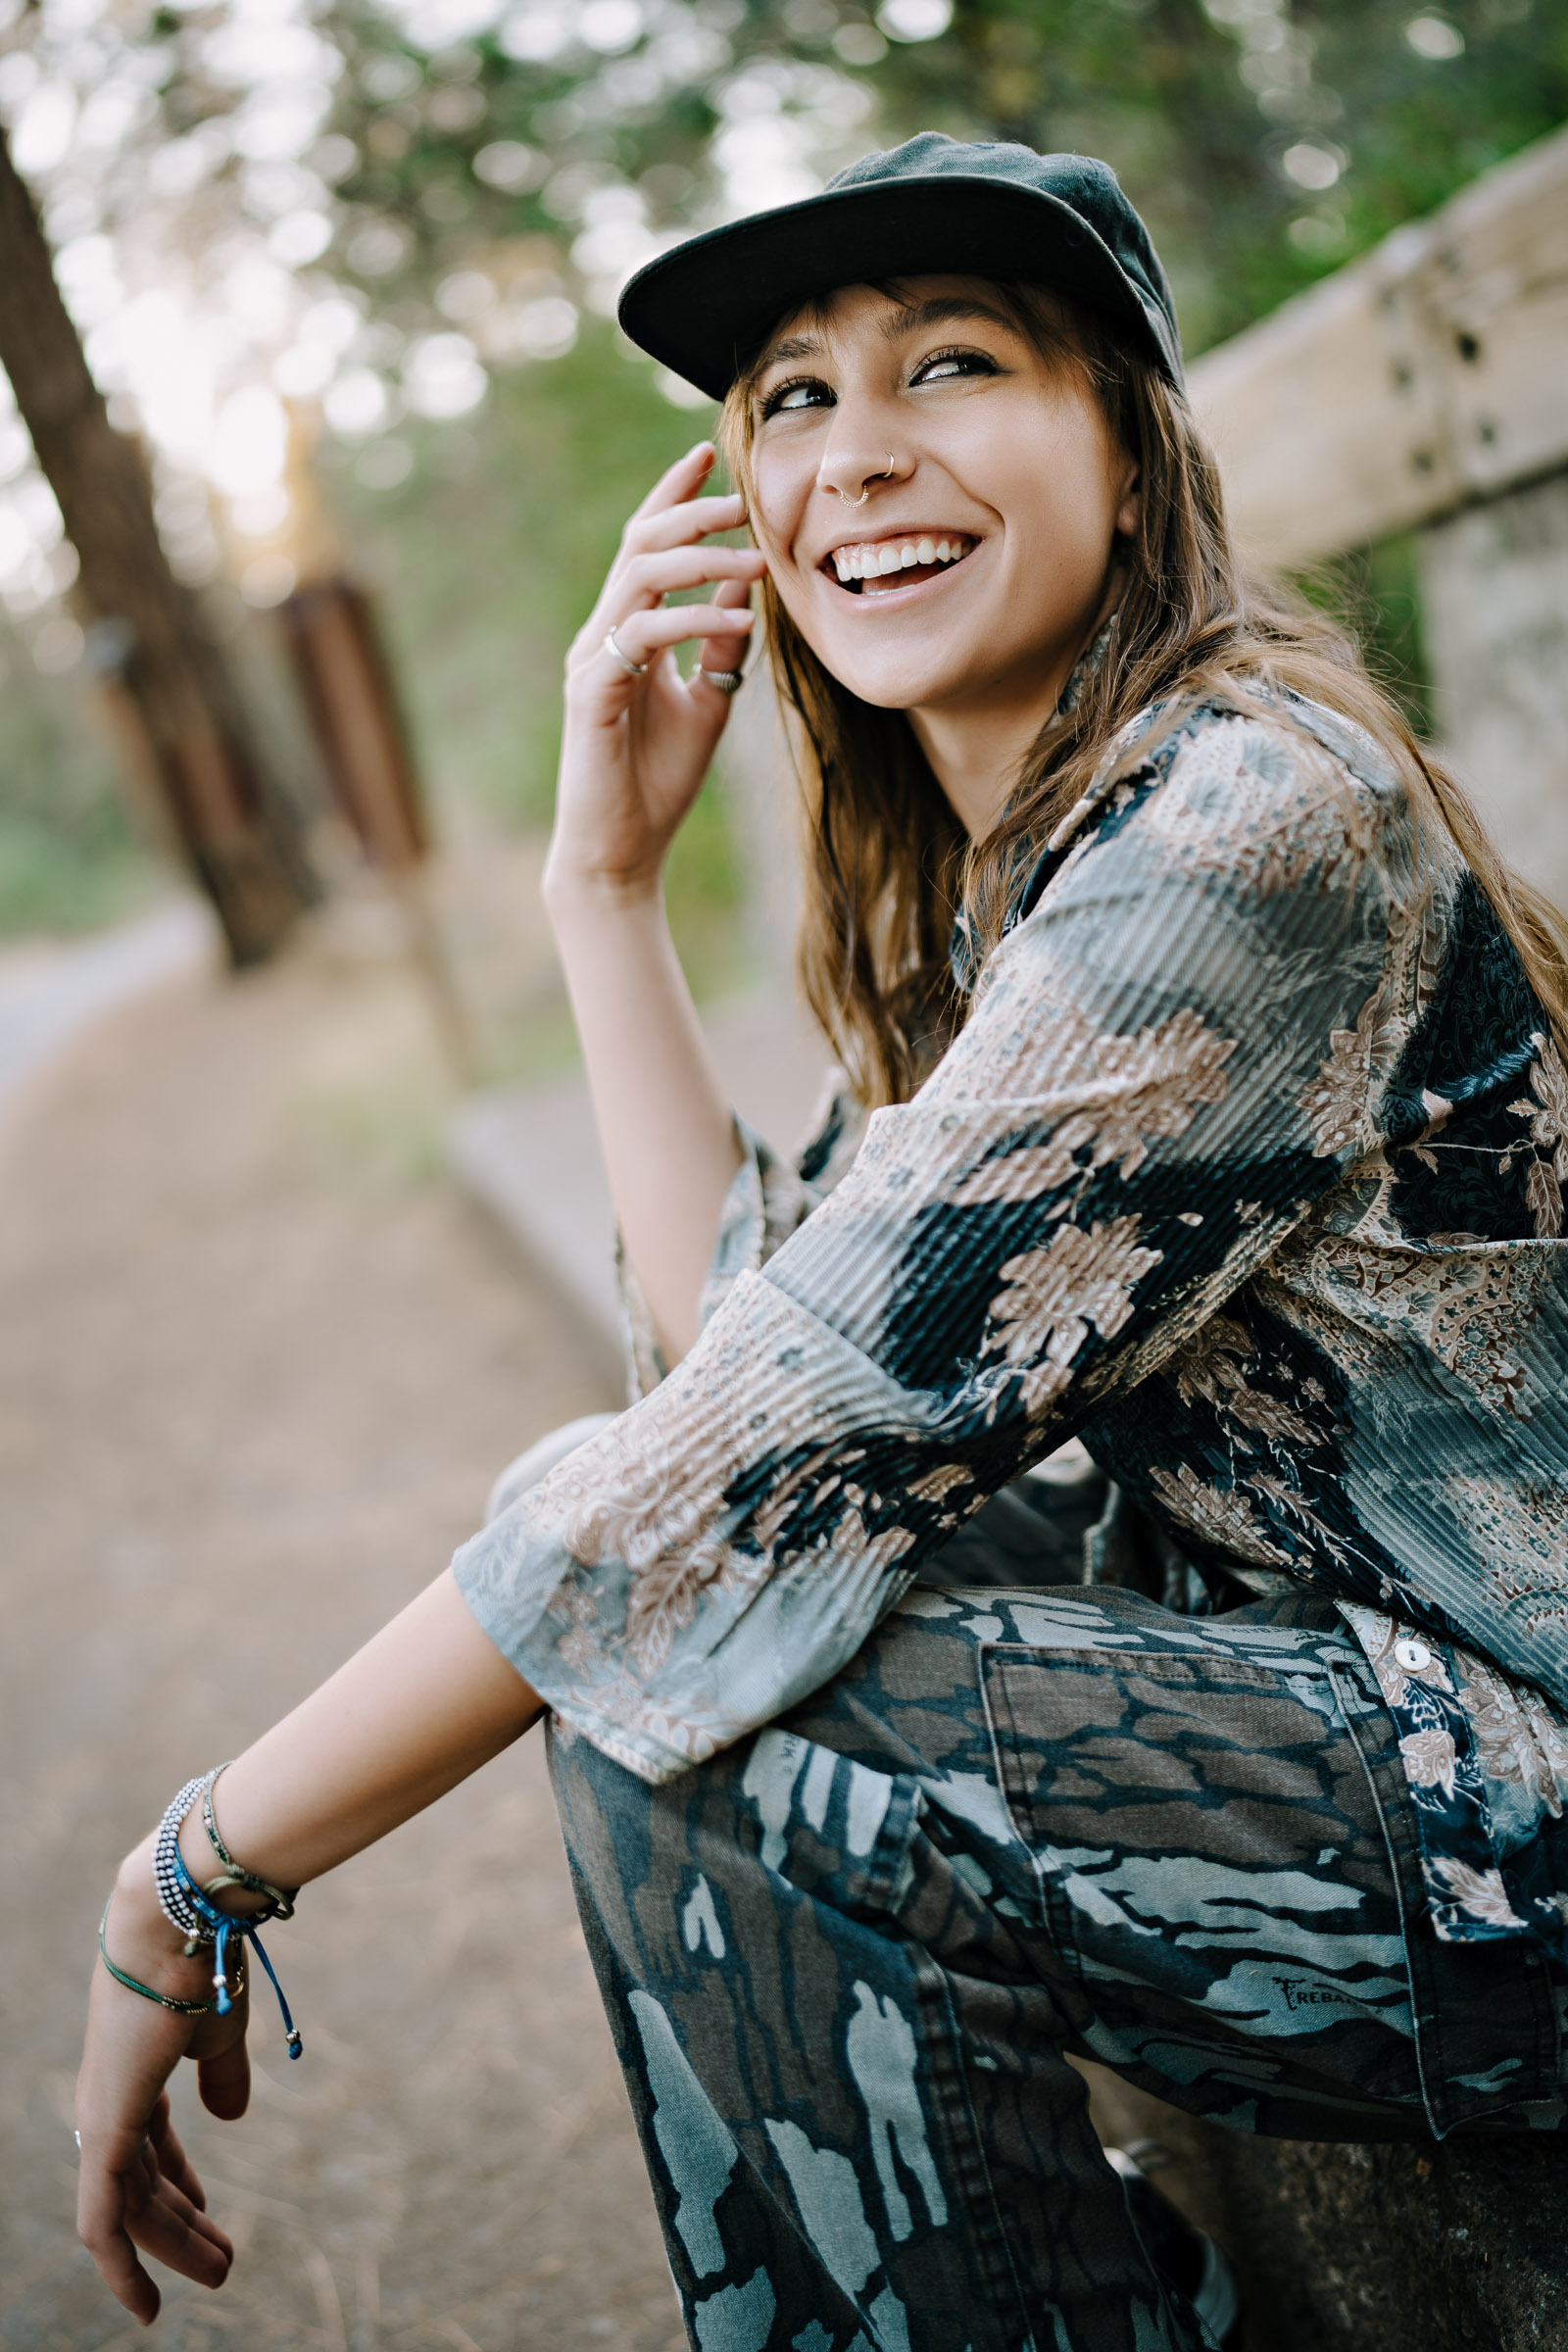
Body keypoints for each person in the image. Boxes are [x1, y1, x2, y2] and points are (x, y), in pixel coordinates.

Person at [75, 135, 1568, 2352]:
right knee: (710, 1631)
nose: (855, 454)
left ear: (1133, 466)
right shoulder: (1016, 868)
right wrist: (598, 888)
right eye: (787, 399)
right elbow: (748, 1382)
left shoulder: (1245, 827)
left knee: (738, 1738)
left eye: (948, 365)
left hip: (1509, 1782)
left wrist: (193, 1864)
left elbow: (733, 1467)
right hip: (1359, 1725)